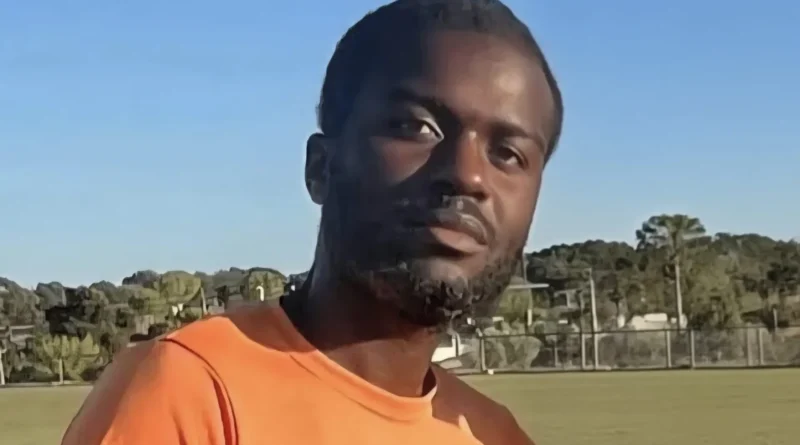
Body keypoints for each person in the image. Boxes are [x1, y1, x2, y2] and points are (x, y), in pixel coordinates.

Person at [61, 0, 563, 443]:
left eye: (509, 153)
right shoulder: (190, 392)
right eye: (416, 127)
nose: (468, 175)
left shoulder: (496, 436)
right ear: (320, 168)